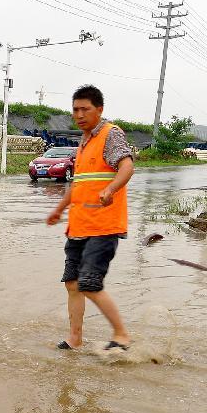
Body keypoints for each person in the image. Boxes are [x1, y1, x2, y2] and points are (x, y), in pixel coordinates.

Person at [46, 85, 134, 350]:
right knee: (72, 284)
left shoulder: (110, 134)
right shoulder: (83, 142)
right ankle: (75, 339)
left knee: (89, 284)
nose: (80, 114)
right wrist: (59, 209)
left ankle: (121, 335)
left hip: (104, 225)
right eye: (75, 109)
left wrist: (110, 189)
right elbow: (79, 184)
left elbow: (127, 166)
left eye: (85, 109)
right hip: (79, 225)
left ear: (100, 109)